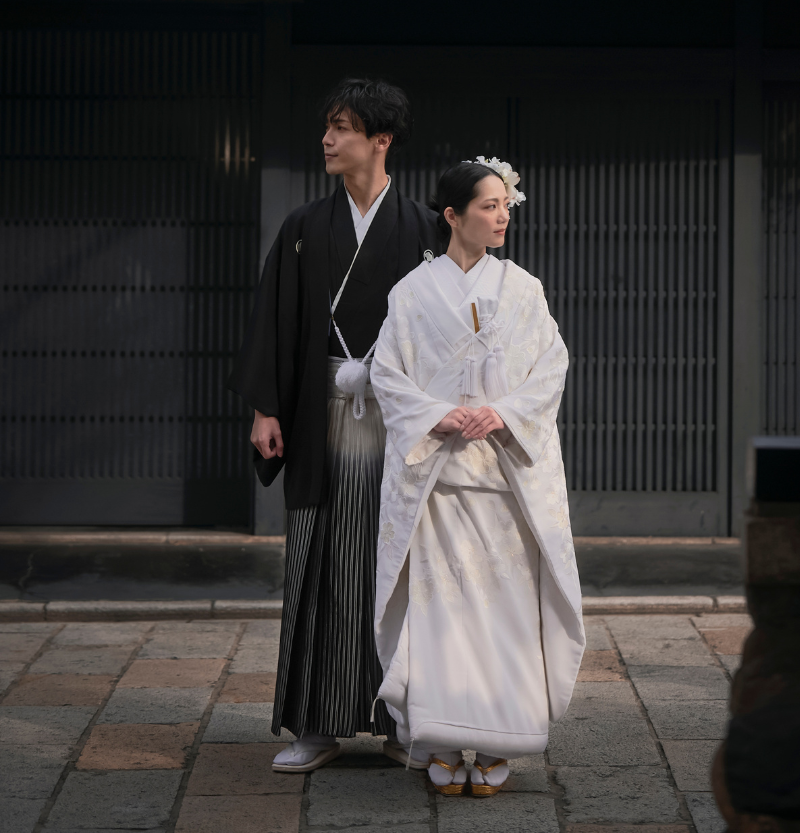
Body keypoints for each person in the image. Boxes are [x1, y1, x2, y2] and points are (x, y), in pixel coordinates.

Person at [228, 78, 438, 773]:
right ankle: (316, 725)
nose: (327, 139)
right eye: (328, 126)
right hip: (323, 416)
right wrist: (265, 407)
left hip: (399, 421)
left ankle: (403, 720)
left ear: (380, 140)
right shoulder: (303, 228)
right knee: (321, 562)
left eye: (342, 127)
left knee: (401, 566)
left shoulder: (425, 228)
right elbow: (272, 318)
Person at [369, 158, 585, 797]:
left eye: (505, 205)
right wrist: (435, 414)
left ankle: (498, 740)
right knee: (440, 615)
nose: (502, 216)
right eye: (489, 206)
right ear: (452, 215)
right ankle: (440, 737)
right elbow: (386, 374)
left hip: (502, 480)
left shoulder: (524, 288)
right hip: (438, 483)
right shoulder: (410, 294)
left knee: (503, 613)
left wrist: (505, 412)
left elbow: (551, 367)